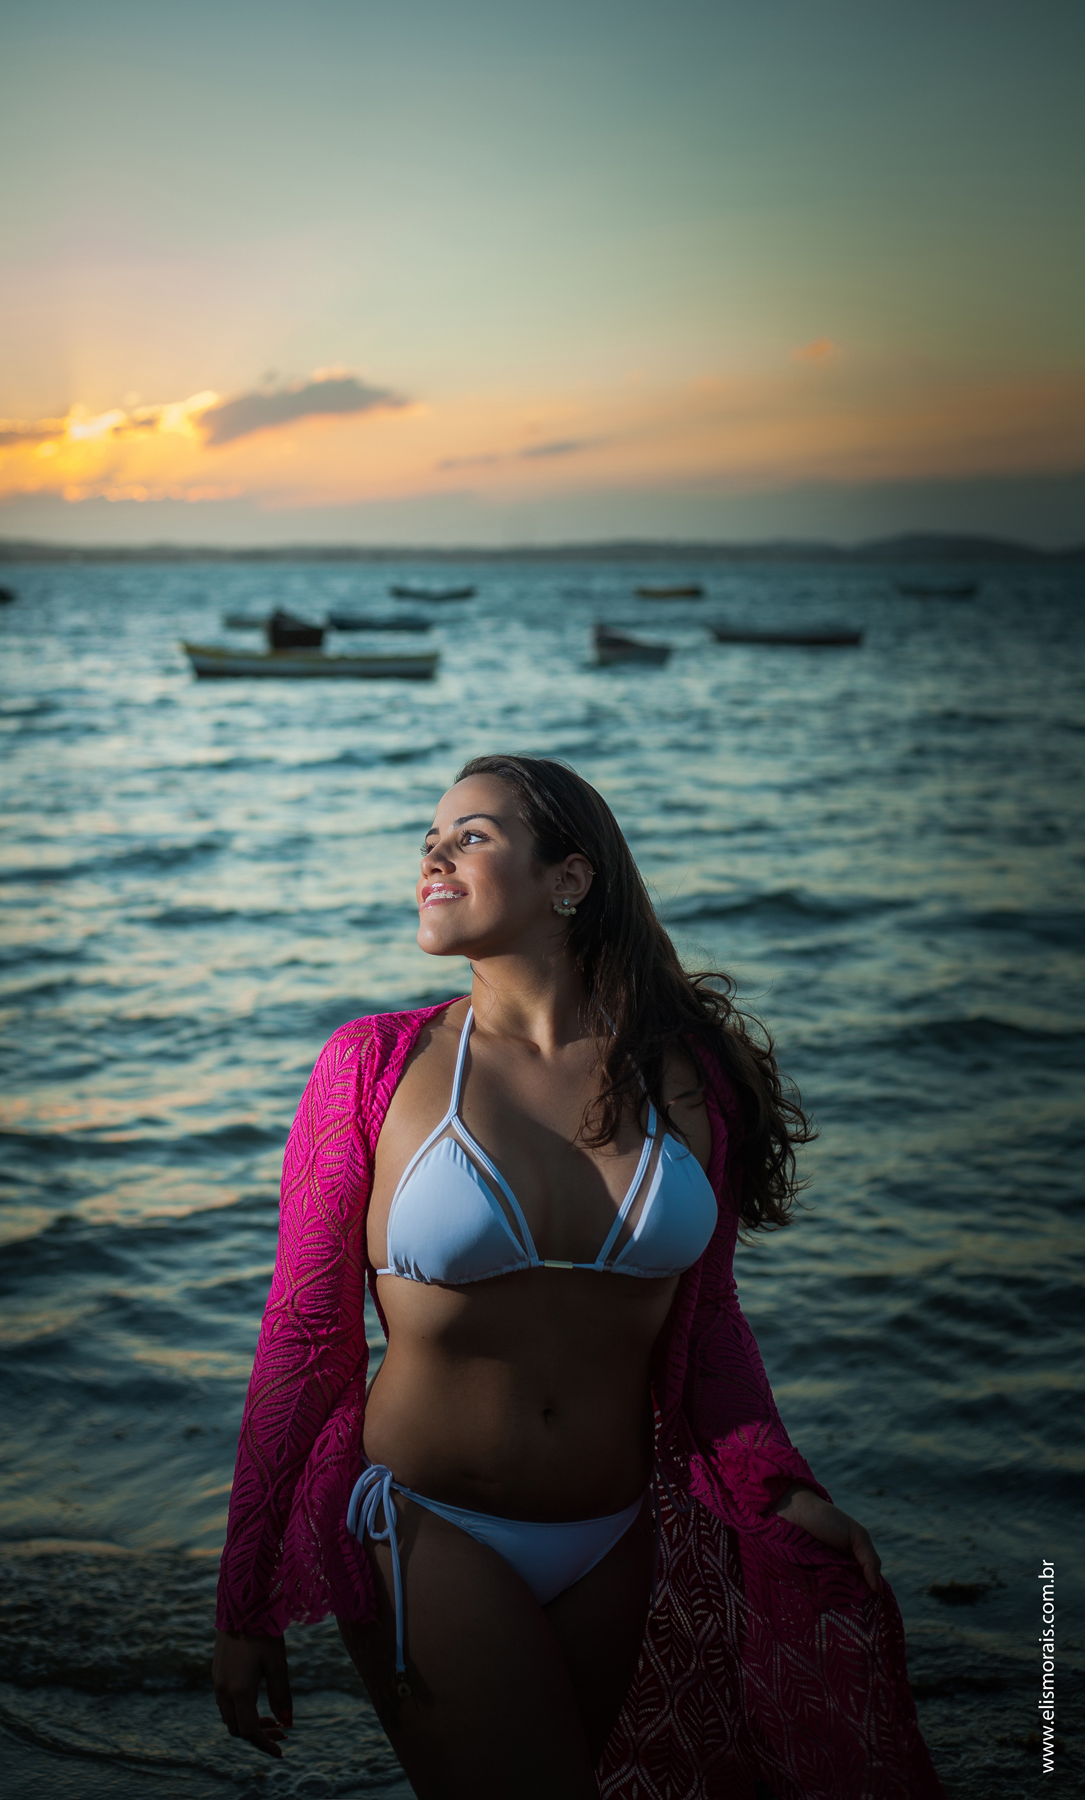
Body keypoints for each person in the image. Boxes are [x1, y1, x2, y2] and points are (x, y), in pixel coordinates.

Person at [212, 755, 944, 1799]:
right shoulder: (374, 1067)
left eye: (470, 835)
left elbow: (709, 1327)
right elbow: (302, 1344)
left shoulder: (690, 1078)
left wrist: (780, 1487)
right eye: (430, 837)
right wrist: (243, 1602)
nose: (434, 852)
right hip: (426, 1521)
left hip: (612, 1537)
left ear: (570, 878)